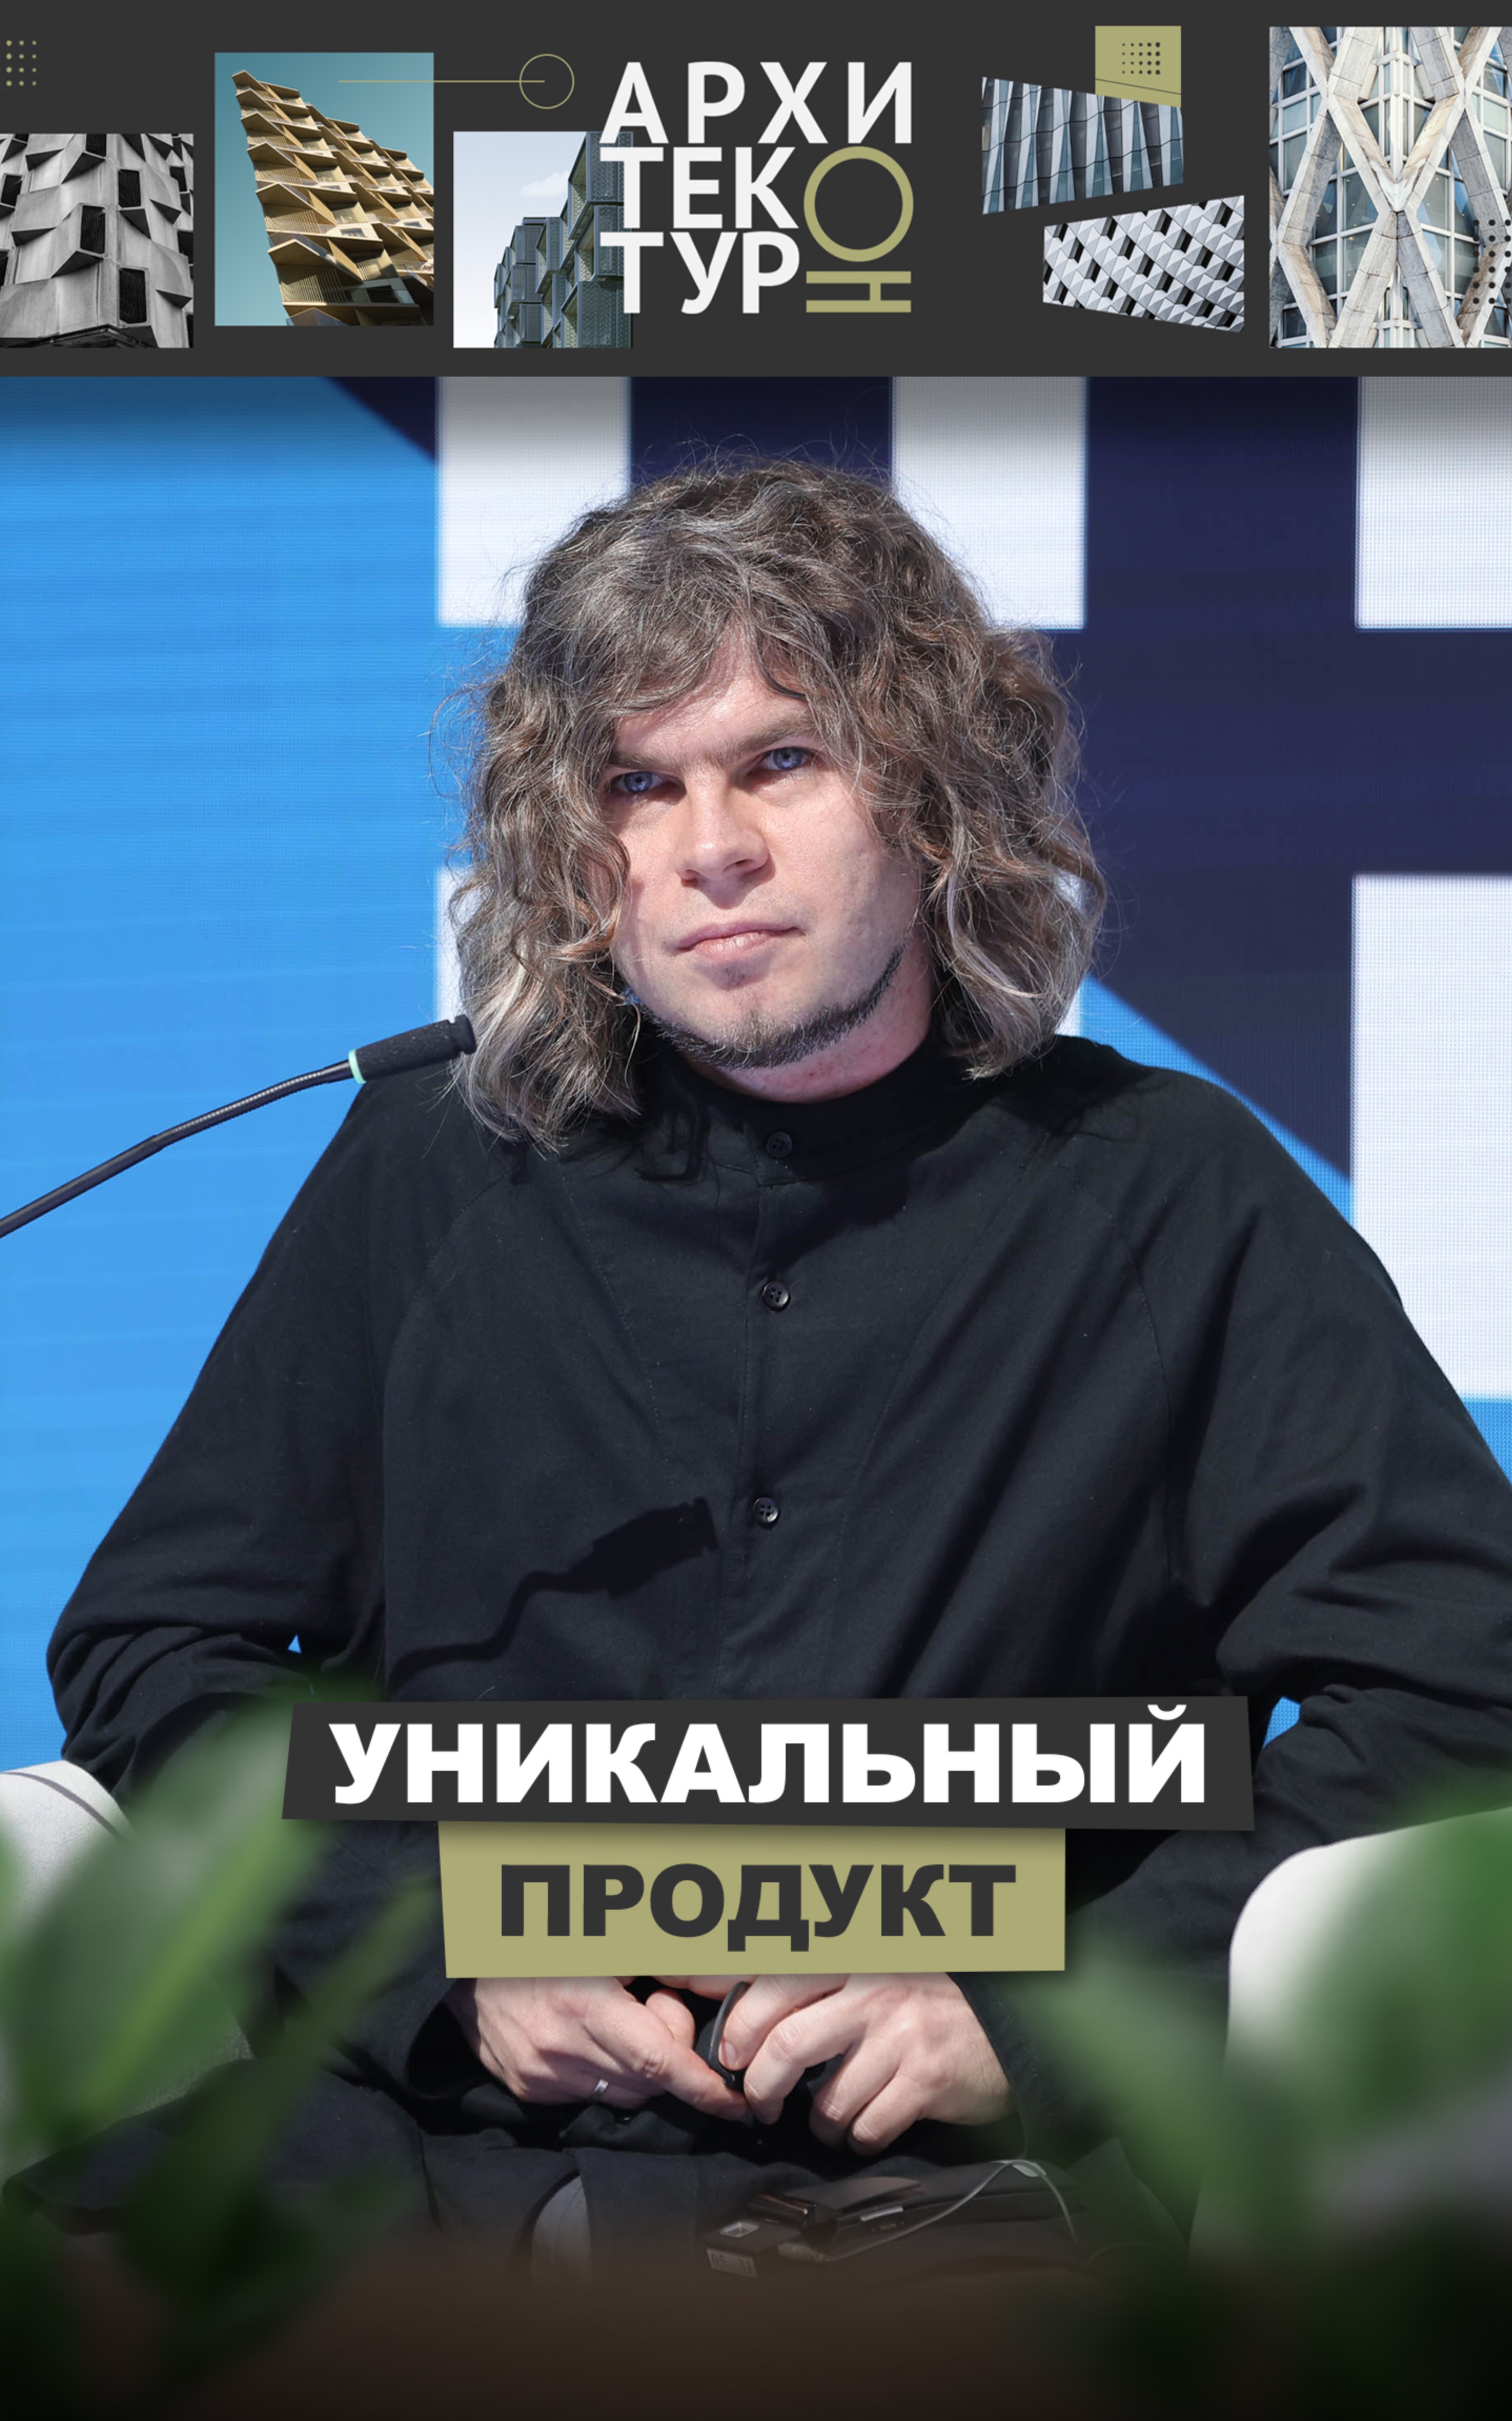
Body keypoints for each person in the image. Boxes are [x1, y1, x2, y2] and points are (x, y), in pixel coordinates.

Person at [44, 460, 1512, 2255]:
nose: (709, 848)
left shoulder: (1163, 1194)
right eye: (638, 786)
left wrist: (1041, 1999)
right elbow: (158, 1645)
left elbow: (1460, 1690)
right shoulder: (430, 1173)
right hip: (402, 2164)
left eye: (780, 761)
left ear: (935, 798)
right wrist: (439, 1951)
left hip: (939, 2205)